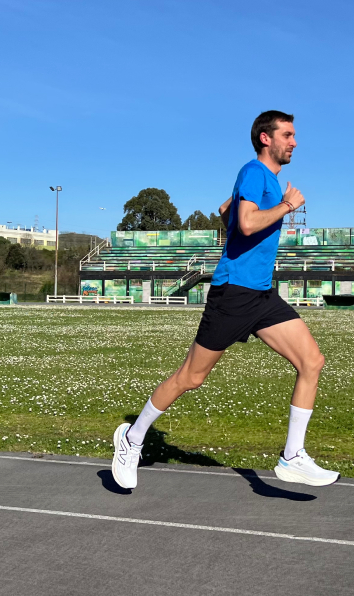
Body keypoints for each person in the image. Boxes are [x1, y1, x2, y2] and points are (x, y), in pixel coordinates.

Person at [112, 110, 339, 490]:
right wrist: (287, 206)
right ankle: (132, 438)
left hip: (261, 294)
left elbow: (226, 212)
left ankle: (293, 456)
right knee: (191, 377)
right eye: (287, 135)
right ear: (266, 138)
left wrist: (247, 217)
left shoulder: (264, 180)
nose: (294, 142)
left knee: (311, 361)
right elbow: (246, 223)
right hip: (233, 294)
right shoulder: (254, 172)